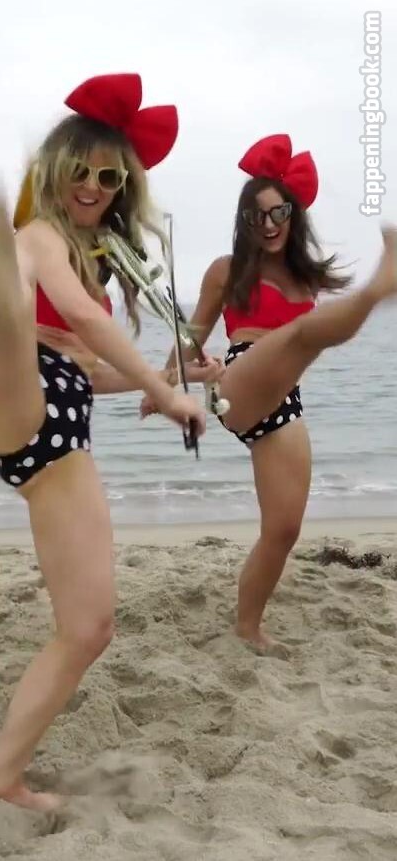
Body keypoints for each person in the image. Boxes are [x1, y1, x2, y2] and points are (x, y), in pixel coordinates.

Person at [0, 72, 218, 811]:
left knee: (90, 626)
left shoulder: (88, 254)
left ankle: (3, 775)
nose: (94, 187)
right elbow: (86, 320)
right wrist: (163, 386)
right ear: (54, 170)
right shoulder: (42, 234)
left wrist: (165, 382)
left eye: (110, 177)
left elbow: (89, 366)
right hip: (21, 402)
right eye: (81, 171)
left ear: (123, 187)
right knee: (18, 329)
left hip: (48, 427)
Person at [145, 132, 397, 651]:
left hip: (284, 400)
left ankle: (247, 626)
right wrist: (164, 383)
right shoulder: (227, 271)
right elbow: (192, 336)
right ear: (243, 222)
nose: (267, 224)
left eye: (278, 212)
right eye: (255, 216)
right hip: (239, 382)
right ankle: (382, 284)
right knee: (303, 334)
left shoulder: (308, 279)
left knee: (283, 529)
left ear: (293, 214)